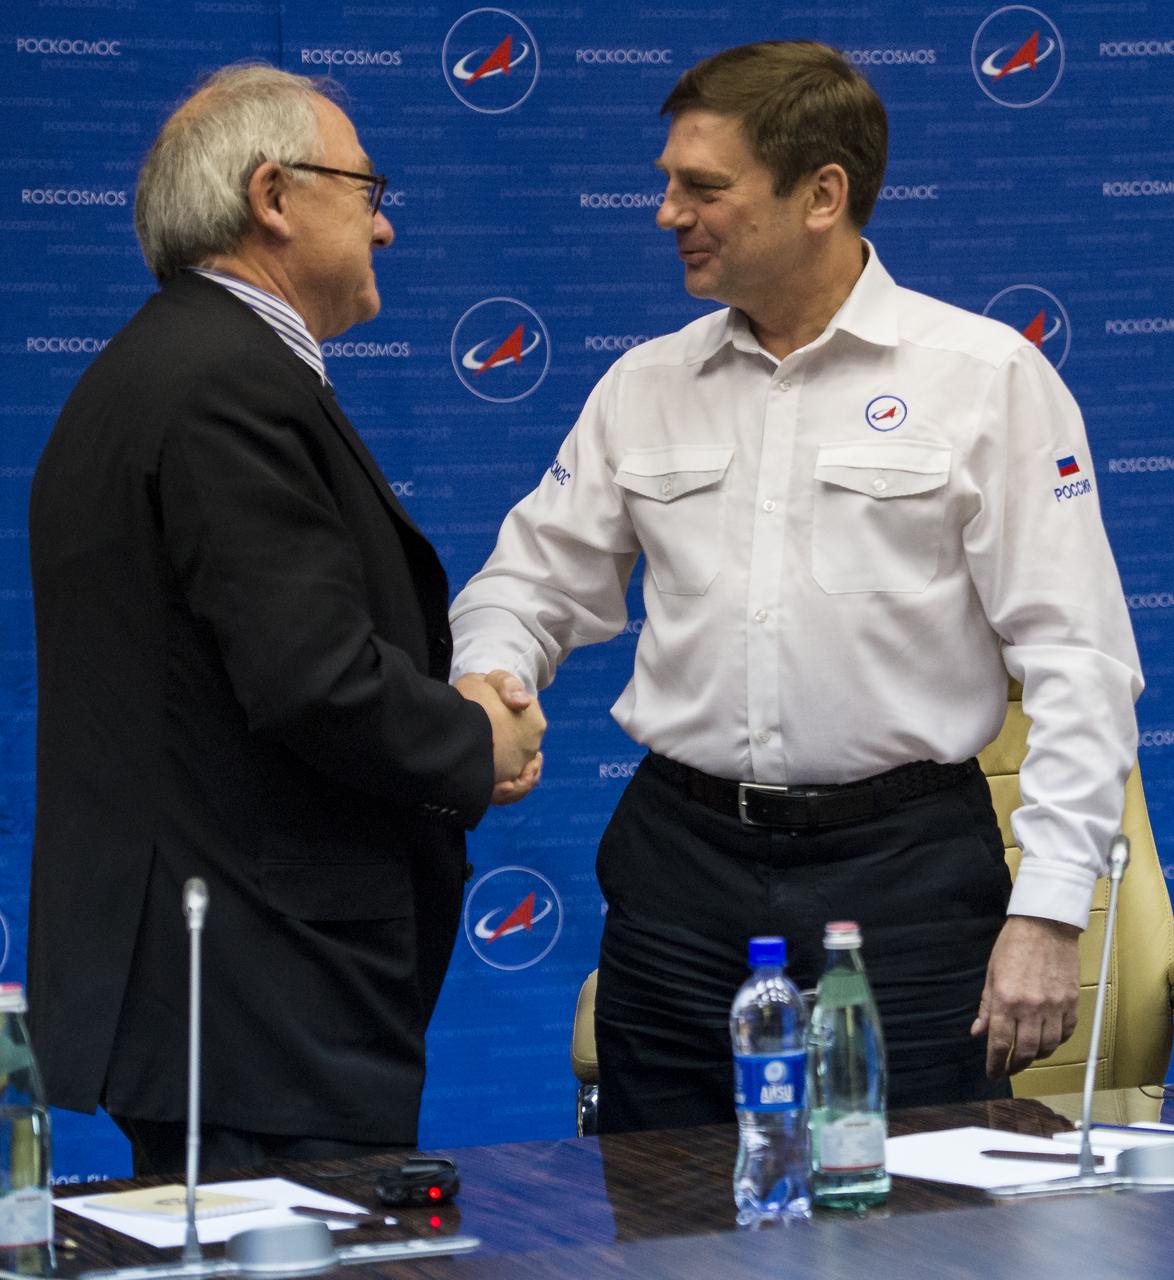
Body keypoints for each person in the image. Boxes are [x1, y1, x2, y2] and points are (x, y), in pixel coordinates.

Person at [449, 41, 1142, 1131]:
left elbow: (1078, 659)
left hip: (907, 881)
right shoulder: (644, 383)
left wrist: (1050, 912)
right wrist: (489, 675)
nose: (667, 211)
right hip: (679, 876)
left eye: (703, 187)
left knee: (922, 1218)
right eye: (667, 182)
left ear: (823, 193)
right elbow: (528, 579)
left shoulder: (988, 377)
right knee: (661, 1211)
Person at [27, 63, 544, 1175]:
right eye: (366, 193)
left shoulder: (163, 366)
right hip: (260, 1002)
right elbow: (311, 674)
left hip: (222, 998)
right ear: (274, 196)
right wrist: (475, 740)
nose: (387, 227)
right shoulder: (227, 383)